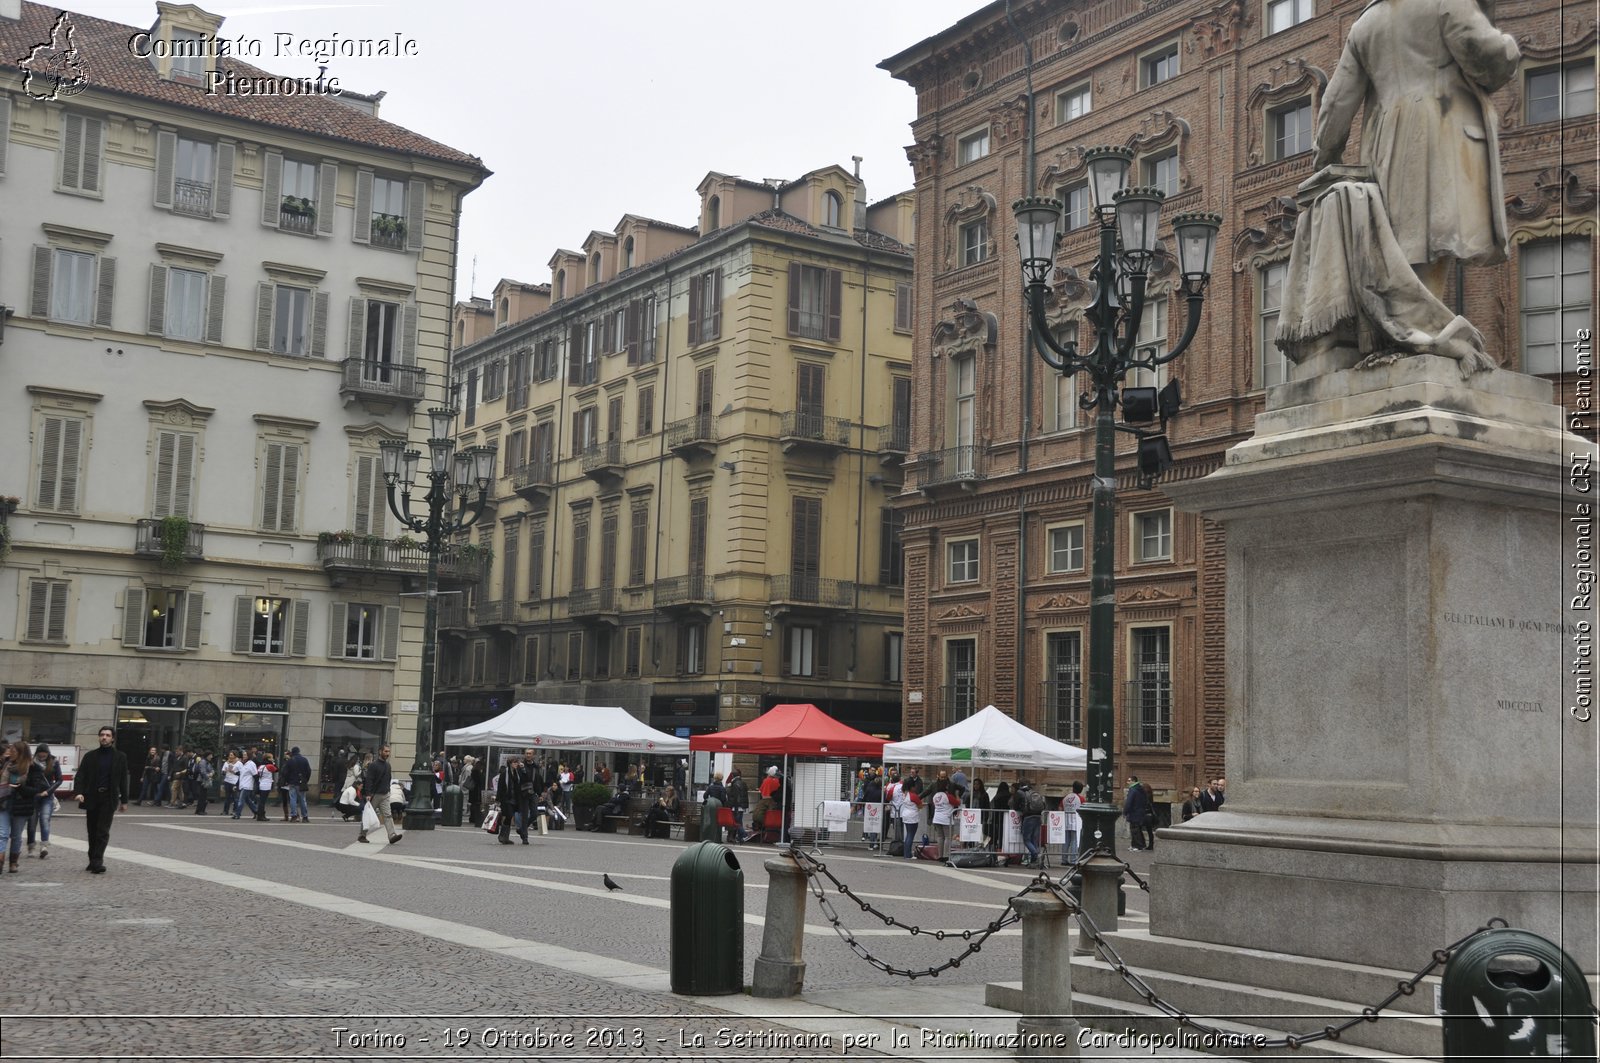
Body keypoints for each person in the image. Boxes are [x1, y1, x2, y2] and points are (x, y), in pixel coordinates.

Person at [1312, 0, 1520, 295]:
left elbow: (1335, 104)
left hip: (1385, 146)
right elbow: (1488, 60)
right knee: (1432, 249)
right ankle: (1424, 331)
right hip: (1443, 133)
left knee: (1400, 250)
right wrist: (1508, 43)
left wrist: (1326, 157)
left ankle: (1412, 328)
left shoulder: (1365, 23)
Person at [74, 726, 129, 874]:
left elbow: (123, 779)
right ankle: (92, 859)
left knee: (102, 831)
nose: (104, 737)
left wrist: (124, 800)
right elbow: (81, 775)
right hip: (92, 797)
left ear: (113, 738)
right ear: (99, 737)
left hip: (108, 797)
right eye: (102, 735)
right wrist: (78, 792)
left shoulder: (120, 757)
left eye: (107, 735)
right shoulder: (90, 756)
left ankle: (97, 861)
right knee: (92, 830)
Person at [1, 741, 44, 874]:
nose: (10, 754)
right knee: (2, 834)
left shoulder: (33, 768)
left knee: (16, 836)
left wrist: (20, 788)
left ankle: (13, 862)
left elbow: (36, 790)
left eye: (13, 751)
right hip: (4, 803)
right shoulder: (7, 764)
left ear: (20, 753)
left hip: (22, 805)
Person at [359, 745, 401, 845]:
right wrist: (368, 793)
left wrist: (388, 790)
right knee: (368, 815)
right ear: (380, 752)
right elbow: (369, 780)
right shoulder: (373, 765)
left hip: (385, 794)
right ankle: (362, 835)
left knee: (388, 815)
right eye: (386, 751)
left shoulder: (388, 765)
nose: (387, 753)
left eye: (388, 752)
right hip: (374, 794)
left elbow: (388, 778)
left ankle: (392, 835)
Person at [26, 744, 62, 858]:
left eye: (44, 754)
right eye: (40, 753)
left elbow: (59, 779)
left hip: (47, 795)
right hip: (34, 795)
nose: (42, 756)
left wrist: (49, 791)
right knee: (32, 823)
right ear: (37, 753)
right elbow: (27, 779)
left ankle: (44, 846)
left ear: (48, 753)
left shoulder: (54, 762)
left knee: (45, 819)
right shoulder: (31, 763)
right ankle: (31, 846)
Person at [497, 754, 531, 845]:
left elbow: (526, 778)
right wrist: (498, 799)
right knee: (508, 815)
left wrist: (523, 769)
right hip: (506, 798)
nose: (516, 764)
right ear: (510, 763)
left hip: (515, 798)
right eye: (514, 763)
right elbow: (500, 786)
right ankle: (502, 836)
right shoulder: (504, 773)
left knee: (510, 816)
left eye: (517, 762)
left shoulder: (518, 772)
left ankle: (504, 837)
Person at [749, 766, 783, 841]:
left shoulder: (765, 780)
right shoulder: (777, 781)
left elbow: (761, 790)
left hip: (763, 801)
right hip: (772, 801)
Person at [929, 778, 961, 860]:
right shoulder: (948, 796)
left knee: (940, 837)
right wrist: (957, 795)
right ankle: (946, 855)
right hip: (946, 819)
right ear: (946, 787)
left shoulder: (935, 796)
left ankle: (940, 855)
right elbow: (957, 803)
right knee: (947, 837)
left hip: (936, 818)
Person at [1015, 781, 1045, 868]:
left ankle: (1036, 855)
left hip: (1028, 817)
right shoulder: (1034, 793)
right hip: (1038, 816)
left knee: (1026, 839)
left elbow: (1016, 806)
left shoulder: (1021, 793)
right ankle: (1034, 861)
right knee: (1034, 840)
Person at [282, 747, 312, 823]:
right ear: (299, 751)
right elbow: (308, 771)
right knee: (302, 800)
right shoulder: (304, 760)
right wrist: (306, 780)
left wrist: (287, 781)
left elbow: (285, 772)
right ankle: (304, 817)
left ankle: (294, 816)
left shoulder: (290, 761)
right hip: (301, 782)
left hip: (292, 782)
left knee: (292, 799)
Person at [1124, 776, 1153, 851]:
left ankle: (1138, 846)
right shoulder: (1140, 789)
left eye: (1129, 780)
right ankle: (1138, 845)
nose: (1128, 782)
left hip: (1134, 812)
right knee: (1137, 829)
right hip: (1140, 812)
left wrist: (1125, 811)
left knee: (1134, 830)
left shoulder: (1133, 790)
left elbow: (1129, 803)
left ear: (1133, 781)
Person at [897, 780, 923, 859]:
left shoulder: (905, 794)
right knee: (910, 835)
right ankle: (908, 854)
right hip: (912, 816)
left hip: (905, 814)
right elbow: (920, 805)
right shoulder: (913, 795)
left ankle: (906, 853)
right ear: (911, 787)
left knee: (908, 835)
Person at [1061, 781, 1084, 864]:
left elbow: (1060, 807)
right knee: (1074, 841)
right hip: (1076, 822)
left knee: (1066, 841)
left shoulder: (1066, 797)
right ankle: (1073, 860)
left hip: (1066, 821)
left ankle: (1064, 859)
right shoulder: (1081, 799)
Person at [860, 768, 883, 851]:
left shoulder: (869, 789)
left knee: (869, 824)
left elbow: (864, 797)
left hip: (869, 808)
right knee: (875, 827)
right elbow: (885, 800)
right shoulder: (881, 792)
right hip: (877, 810)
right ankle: (873, 844)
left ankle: (867, 839)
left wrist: (863, 804)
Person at [724, 768, 749, 843]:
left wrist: (732, 805)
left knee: (736, 823)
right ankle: (741, 838)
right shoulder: (743, 783)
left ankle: (744, 835)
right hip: (741, 806)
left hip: (736, 807)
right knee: (739, 822)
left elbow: (735, 797)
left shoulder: (734, 784)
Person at [233, 749, 259, 819]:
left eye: (245, 755)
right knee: (247, 800)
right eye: (243, 755)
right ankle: (256, 811)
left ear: (248, 756)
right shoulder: (243, 764)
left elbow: (255, 775)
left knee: (241, 800)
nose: (243, 756)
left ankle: (237, 814)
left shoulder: (251, 764)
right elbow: (238, 773)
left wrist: (257, 785)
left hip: (247, 785)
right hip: (242, 784)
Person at [189, 750, 212, 815]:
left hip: (204, 780)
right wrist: (208, 776)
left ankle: (200, 810)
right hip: (202, 780)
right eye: (210, 755)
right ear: (207, 755)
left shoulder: (207, 762)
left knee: (204, 796)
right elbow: (203, 772)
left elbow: (211, 770)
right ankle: (200, 810)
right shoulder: (203, 762)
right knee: (202, 796)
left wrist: (211, 773)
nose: (211, 757)